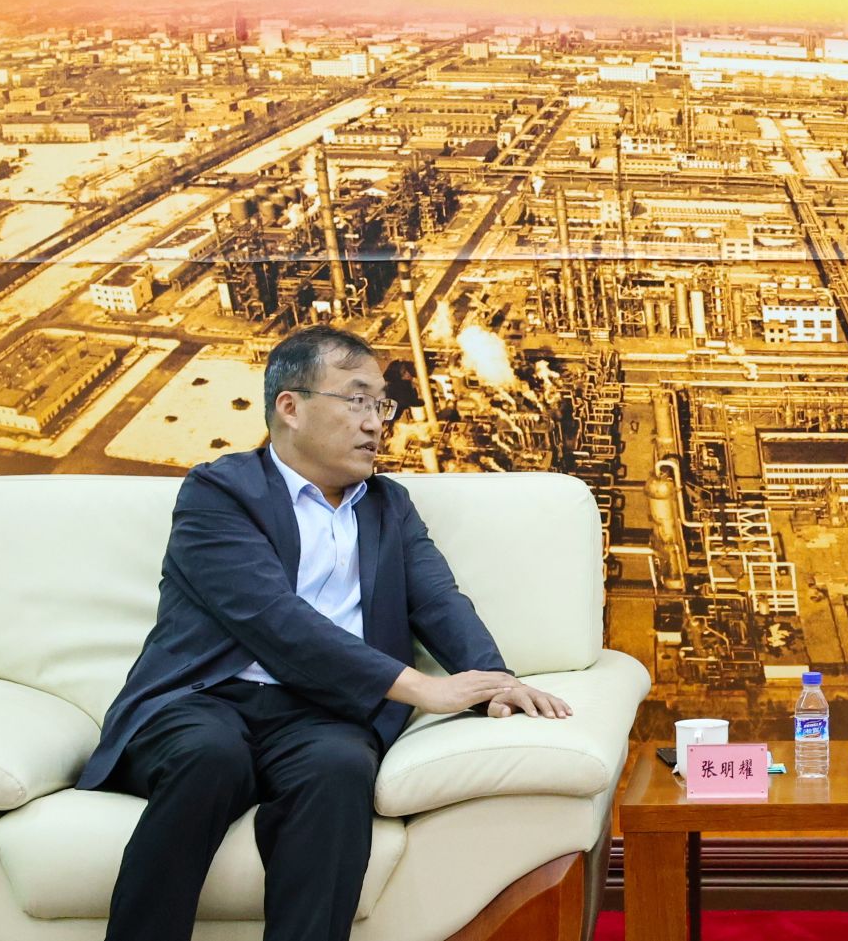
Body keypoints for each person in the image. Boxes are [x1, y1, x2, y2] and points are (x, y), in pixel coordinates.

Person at [79, 325, 572, 941]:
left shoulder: (389, 506)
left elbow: (439, 600)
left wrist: (495, 680)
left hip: (324, 711)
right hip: (203, 699)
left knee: (339, 767)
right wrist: (421, 687)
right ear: (291, 406)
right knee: (210, 756)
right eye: (358, 400)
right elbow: (273, 619)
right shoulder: (219, 492)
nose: (376, 423)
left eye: (382, 406)